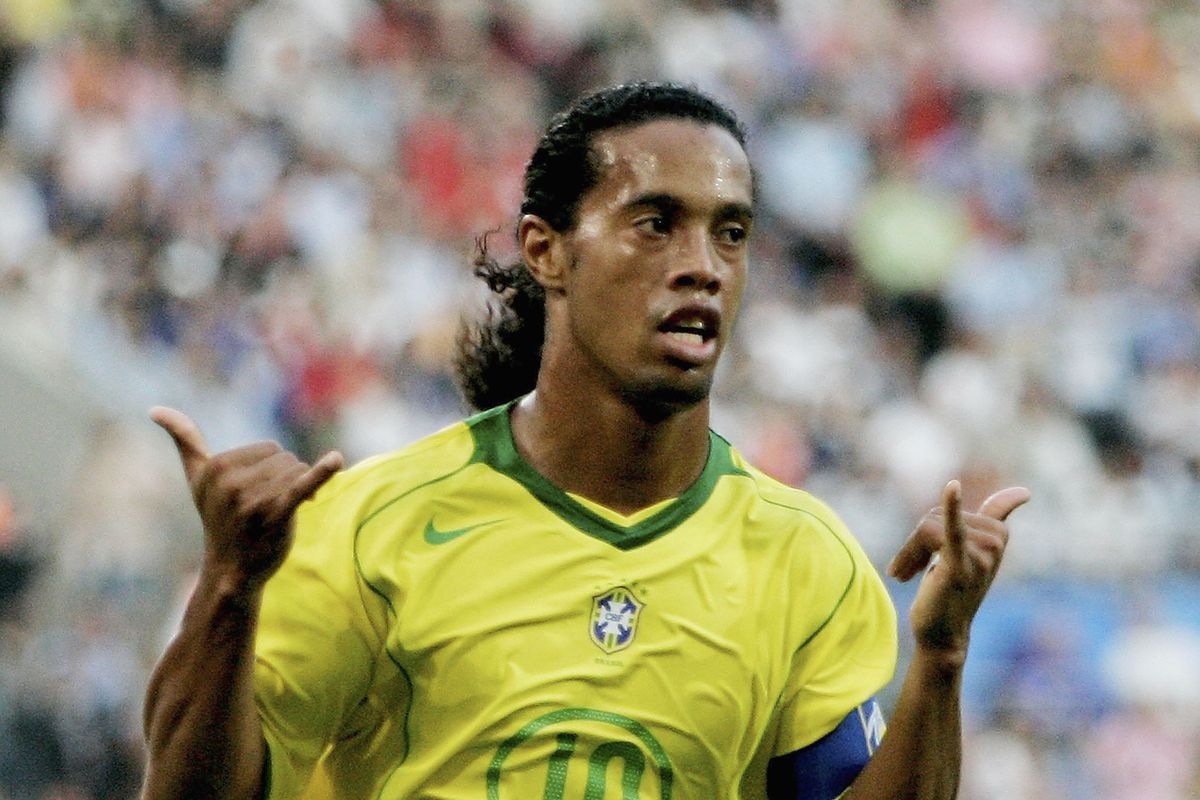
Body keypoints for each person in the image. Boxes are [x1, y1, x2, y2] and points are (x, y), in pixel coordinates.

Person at [140, 82, 1029, 800]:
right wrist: (228, 584)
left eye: (731, 232)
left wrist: (942, 657)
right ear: (546, 251)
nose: (704, 265)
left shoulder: (807, 560)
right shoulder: (375, 524)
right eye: (656, 223)